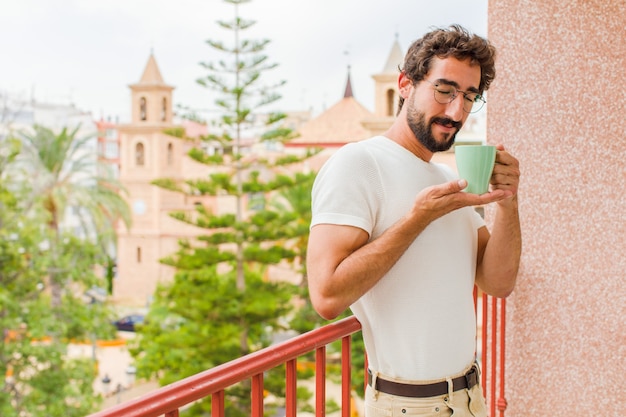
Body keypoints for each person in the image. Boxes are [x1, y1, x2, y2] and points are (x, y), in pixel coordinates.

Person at [306, 25, 521, 417]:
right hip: (407, 406)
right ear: (405, 84)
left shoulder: (444, 178)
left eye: (470, 96)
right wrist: (417, 219)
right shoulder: (357, 164)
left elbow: (498, 282)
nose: (457, 111)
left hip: (470, 396)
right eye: (444, 90)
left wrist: (508, 201)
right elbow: (326, 296)